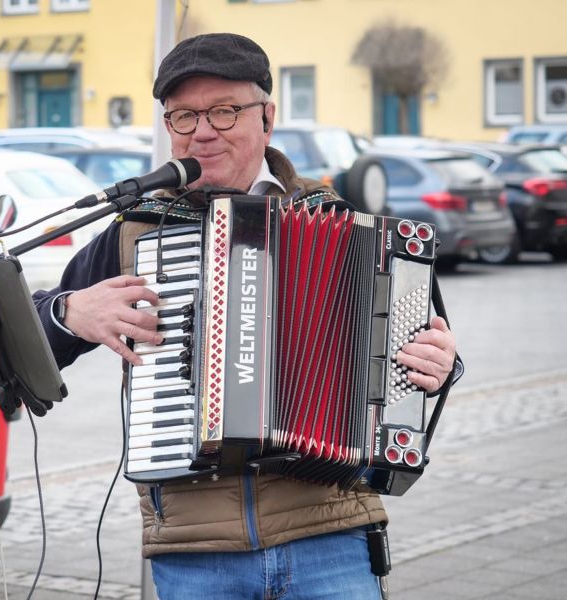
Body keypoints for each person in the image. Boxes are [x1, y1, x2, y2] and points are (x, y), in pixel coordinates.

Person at [33, 33, 459, 600]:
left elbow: (424, 351)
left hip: (330, 536)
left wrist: (439, 364)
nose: (202, 131)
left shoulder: (334, 220)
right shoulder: (137, 231)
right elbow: (25, 344)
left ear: (267, 117)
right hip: (197, 553)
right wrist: (69, 311)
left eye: (224, 111)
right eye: (183, 116)